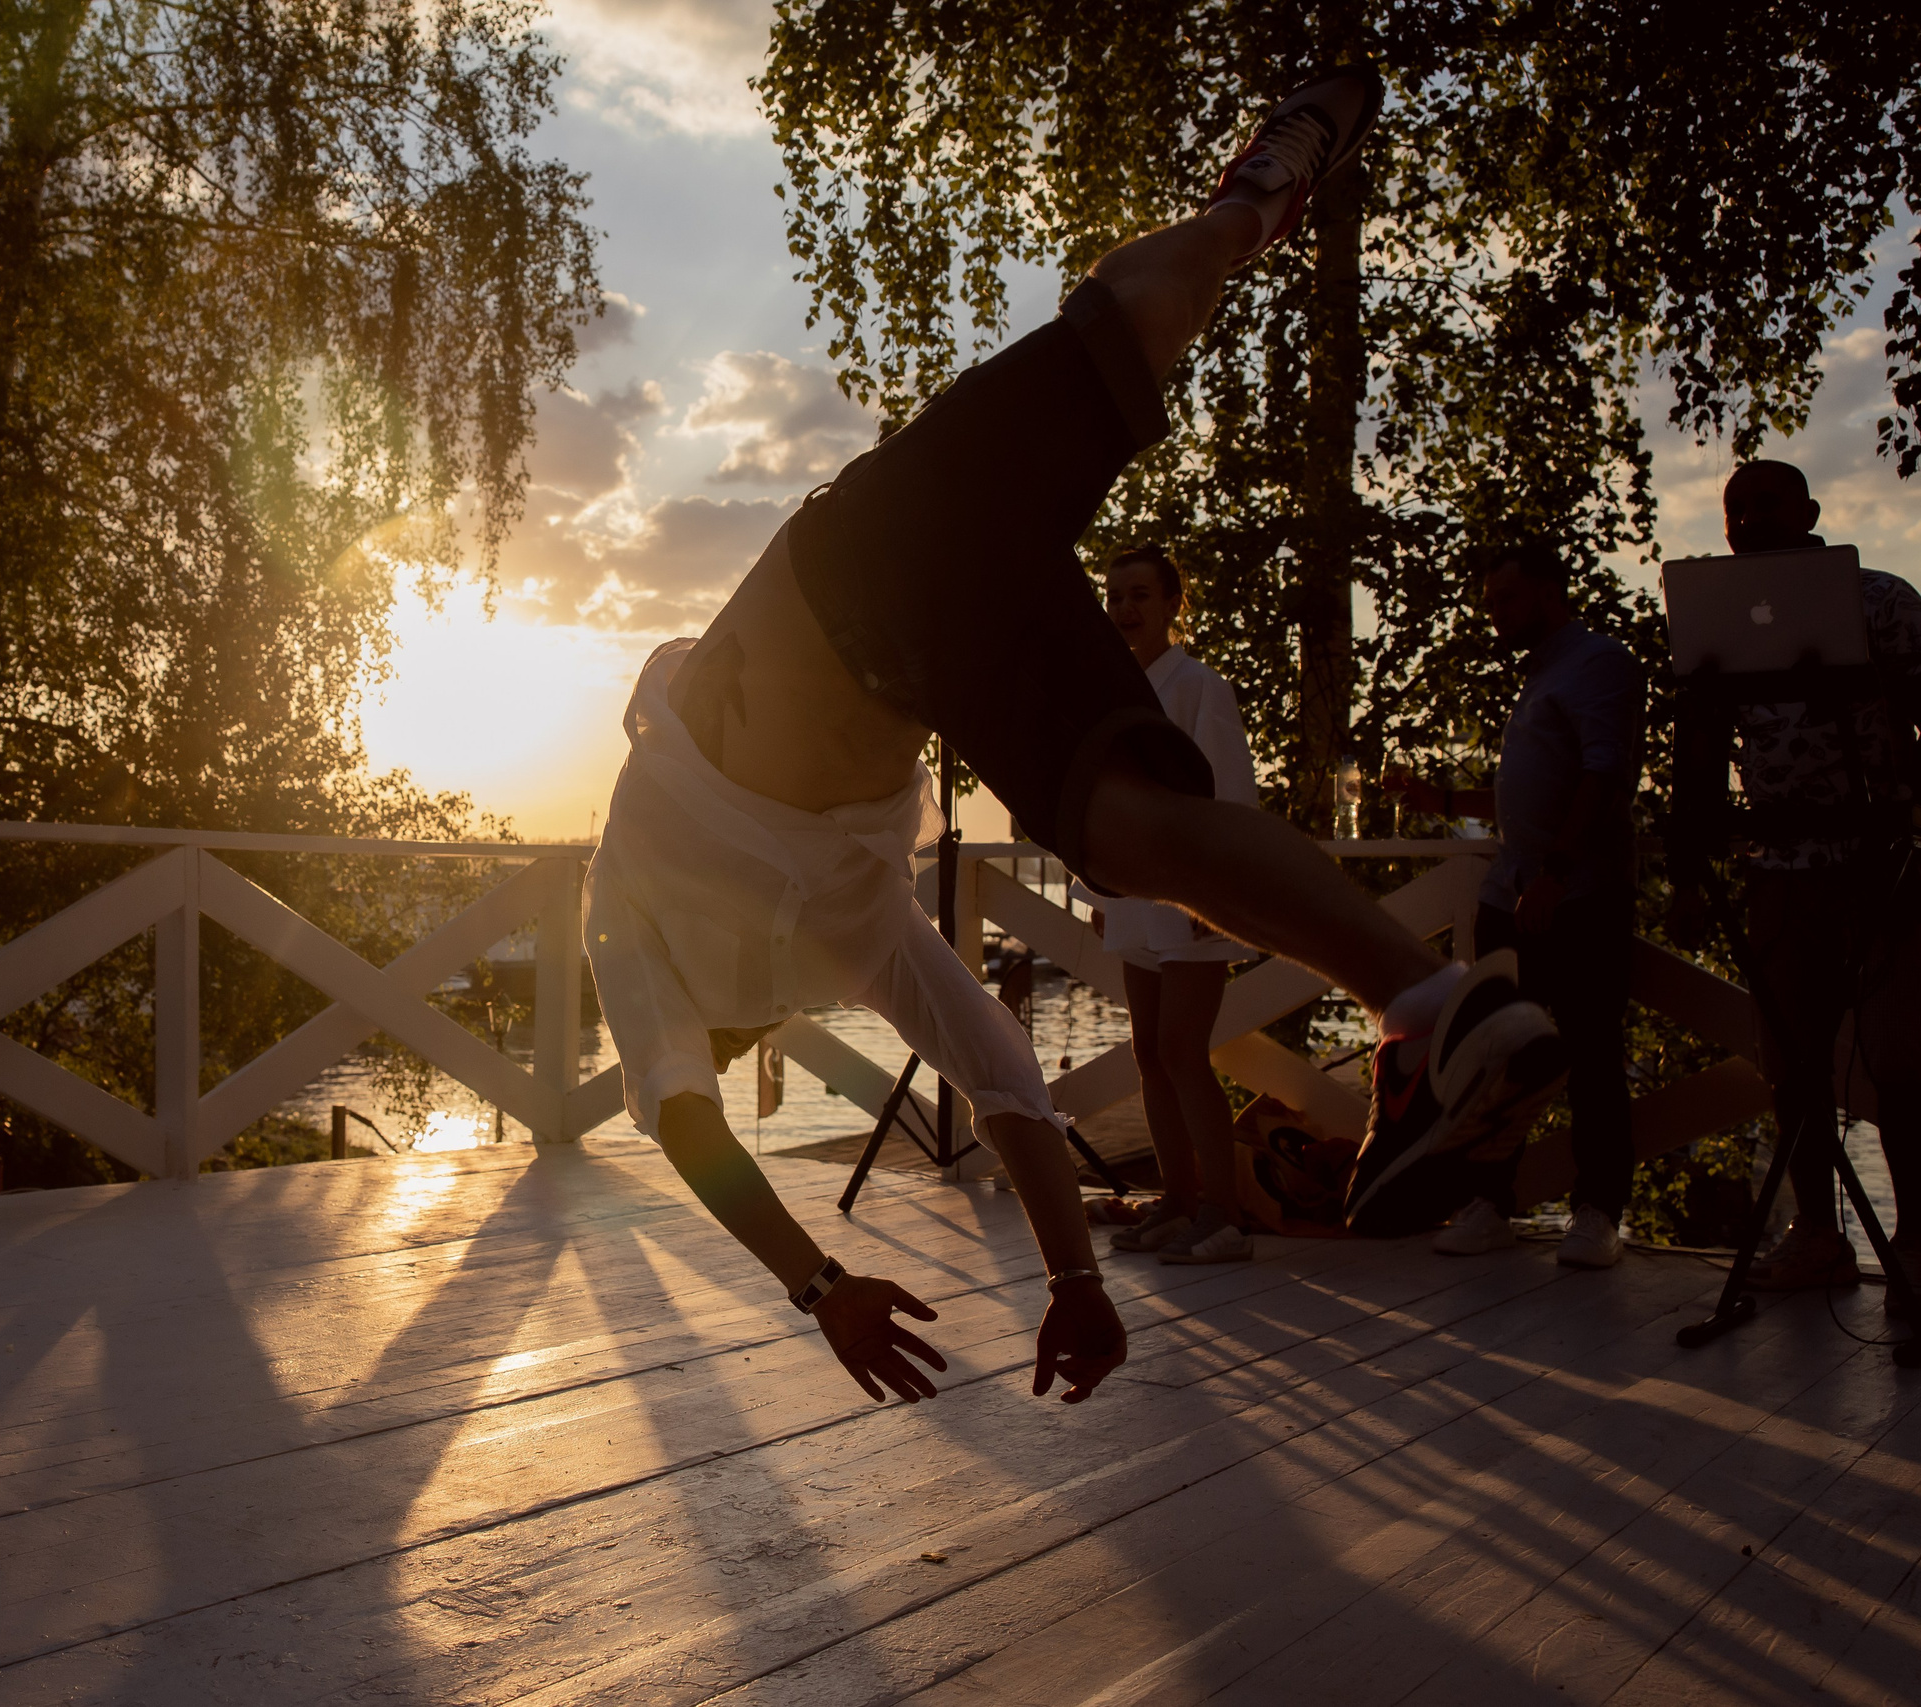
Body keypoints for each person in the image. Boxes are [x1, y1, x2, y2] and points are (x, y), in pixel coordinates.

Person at [585, 66, 1566, 1411]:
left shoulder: (626, 914)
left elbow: (684, 1119)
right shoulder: (857, 923)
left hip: (865, 568)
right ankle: (1436, 1002)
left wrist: (817, 1286)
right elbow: (1000, 1070)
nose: (764, 1018)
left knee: (1130, 826)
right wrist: (1075, 1281)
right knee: (1138, 827)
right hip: (924, 588)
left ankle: (1252, 200)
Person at [1668, 460, 1921, 1302]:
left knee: (1902, 1060)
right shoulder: (1719, 623)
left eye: (1768, 503)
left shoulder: (1882, 600)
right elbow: (1700, 751)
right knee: (1792, 1063)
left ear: (1811, 510)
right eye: (1735, 509)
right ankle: (1818, 1234)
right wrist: (1691, 866)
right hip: (1779, 870)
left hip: (1882, 866)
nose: (1749, 520)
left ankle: (1917, 1244)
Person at [1386, 544, 1645, 1269]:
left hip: (1577, 894)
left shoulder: (1598, 664)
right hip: (1511, 890)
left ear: (1548, 591)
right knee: (1497, 1052)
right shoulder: (1540, 676)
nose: (1493, 615)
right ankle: (1491, 1201)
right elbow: (1527, 793)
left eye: (1505, 599)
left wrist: (1556, 873)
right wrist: (1436, 802)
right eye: (1489, 601)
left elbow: (1603, 775)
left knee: (1591, 1051)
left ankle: (1598, 1212)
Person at [1080, 547, 1264, 1265]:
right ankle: (1178, 1199)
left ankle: (1223, 1213)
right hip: (1135, 888)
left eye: (1138, 596)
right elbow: (1103, 798)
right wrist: (1099, 890)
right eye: (1114, 596)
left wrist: (1215, 889)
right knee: (1149, 1049)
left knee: (1186, 1050)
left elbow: (1228, 791)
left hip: (1194, 892)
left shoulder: (1199, 687)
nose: (1124, 610)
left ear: (1171, 605)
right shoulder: (1110, 689)